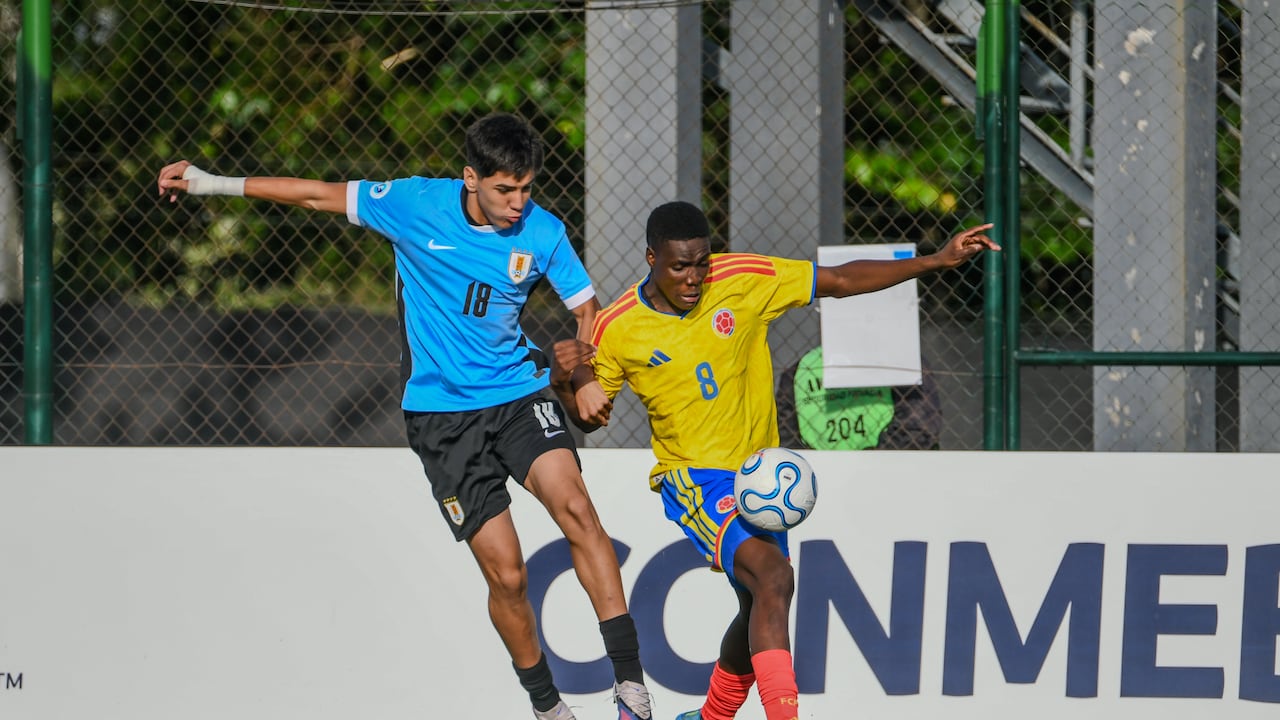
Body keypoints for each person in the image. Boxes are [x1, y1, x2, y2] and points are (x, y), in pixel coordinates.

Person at [156, 112, 653, 720]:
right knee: (508, 577)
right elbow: (314, 194)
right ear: (470, 178)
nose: (518, 203)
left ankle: (631, 687)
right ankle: (548, 708)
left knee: (576, 508)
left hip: (519, 394)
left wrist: (584, 375)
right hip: (443, 417)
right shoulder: (414, 205)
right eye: (504, 190)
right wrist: (209, 182)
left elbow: (587, 309)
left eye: (526, 189)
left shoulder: (542, 231)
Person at [550, 201, 997, 720]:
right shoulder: (617, 326)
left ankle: (711, 717)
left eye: (701, 263)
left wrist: (935, 260)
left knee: (758, 600)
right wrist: (566, 384)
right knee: (774, 578)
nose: (693, 278)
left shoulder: (742, 278)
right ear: (652, 258)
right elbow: (589, 418)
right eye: (679, 267)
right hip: (694, 477)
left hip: (758, 477)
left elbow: (839, 281)